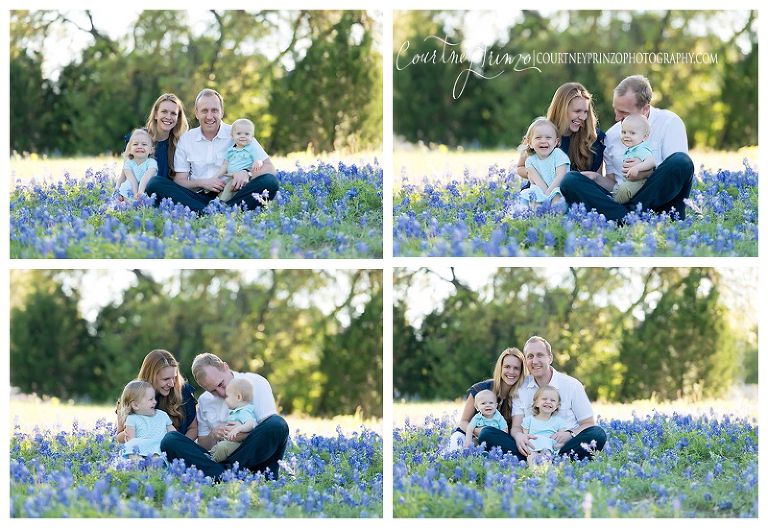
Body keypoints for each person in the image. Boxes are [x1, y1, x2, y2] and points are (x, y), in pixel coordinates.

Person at [560, 75, 694, 221]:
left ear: (645, 109)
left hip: (662, 206)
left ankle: (624, 218)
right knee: (570, 180)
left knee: (682, 162)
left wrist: (646, 171)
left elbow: (676, 176)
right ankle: (629, 218)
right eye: (616, 110)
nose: (617, 118)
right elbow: (614, 186)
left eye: (623, 113)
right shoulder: (612, 135)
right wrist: (597, 178)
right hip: (624, 197)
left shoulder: (669, 123)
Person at [144, 89, 280, 213]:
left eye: (214, 110)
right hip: (197, 198)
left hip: (233, 194)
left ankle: (209, 213)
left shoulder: (238, 132)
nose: (209, 116)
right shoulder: (186, 139)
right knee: (154, 184)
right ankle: (225, 213)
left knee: (269, 181)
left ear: (222, 112)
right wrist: (201, 182)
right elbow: (180, 180)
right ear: (196, 113)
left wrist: (247, 173)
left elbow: (269, 167)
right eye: (204, 111)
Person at [160, 353, 290, 479]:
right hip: (219, 456)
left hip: (253, 461)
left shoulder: (255, 383)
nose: (221, 393)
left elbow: (267, 434)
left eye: (221, 384)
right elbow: (205, 446)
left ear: (225, 367)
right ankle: (226, 475)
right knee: (170, 439)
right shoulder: (205, 401)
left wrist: (241, 432)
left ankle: (220, 475)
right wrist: (213, 434)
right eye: (213, 391)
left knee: (277, 424)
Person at [479, 336, 607, 460]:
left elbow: (588, 423)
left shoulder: (572, 385)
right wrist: (519, 437)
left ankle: (547, 460)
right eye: (530, 356)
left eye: (540, 355)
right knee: (486, 433)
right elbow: (517, 426)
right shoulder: (520, 388)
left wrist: (569, 434)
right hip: (531, 447)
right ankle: (540, 459)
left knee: (597, 434)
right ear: (526, 361)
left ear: (550, 358)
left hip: (563, 446)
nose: (535, 361)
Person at [518, 82, 605, 188]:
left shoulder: (593, 137)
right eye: (577, 111)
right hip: (542, 192)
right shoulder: (542, 133)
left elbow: (598, 181)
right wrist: (532, 173)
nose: (582, 117)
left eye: (585, 112)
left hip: (579, 197)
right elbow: (521, 166)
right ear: (561, 110)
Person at [446, 348, 525, 452]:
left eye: (516, 368)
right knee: (455, 452)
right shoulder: (481, 389)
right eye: (507, 367)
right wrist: (477, 431)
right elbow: (463, 422)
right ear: (500, 368)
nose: (511, 372)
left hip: (496, 442)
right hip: (469, 435)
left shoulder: (522, 395)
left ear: (521, 371)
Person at [115, 349, 198, 444]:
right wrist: (130, 432)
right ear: (151, 377)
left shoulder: (182, 391)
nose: (171, 384)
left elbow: (193, 428)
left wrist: (179, 446)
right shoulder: (133, 395)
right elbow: (120, 435)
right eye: (166, 379)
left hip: (179, 452)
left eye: (174, 378)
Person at [118, 379, 176, 460]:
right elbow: (130, 440)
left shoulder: (162, 415)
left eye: (154, 398)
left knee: (156, 459)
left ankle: (153, 471)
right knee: (132, 450)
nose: (155, 402)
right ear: (135, 405)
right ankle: (137, 468)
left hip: (157, 448)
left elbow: (174, 434)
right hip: (138, 449)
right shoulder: (132, 419)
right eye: (150, 399)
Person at [518, 118, 570, 206]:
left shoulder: (558, 154)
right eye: (538, 138)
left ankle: (555, 217)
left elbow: (561, 176)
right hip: (541, 190)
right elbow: (538, 182)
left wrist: (549, 193)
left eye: (548, 138)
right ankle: (537, 216)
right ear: (530, 143)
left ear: (556, 142)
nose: (543, 141)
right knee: (533, 195)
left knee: (557, 197)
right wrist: (544, 197)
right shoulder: (530, 161)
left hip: (558, 188)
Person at [212, 118, 264, 202]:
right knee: (225, 190)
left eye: (247, 134)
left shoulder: (251, 149)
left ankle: (222, 204)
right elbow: (225, 165)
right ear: (232, 136)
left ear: (252, 137)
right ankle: (222, 204)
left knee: (229, 192)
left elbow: (259, 160)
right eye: (239, 133)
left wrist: (257, 162)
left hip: (246, 179)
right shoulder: (230, 151)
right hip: (231, 178)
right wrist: (216, 176)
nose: (243, 136)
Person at [209, 377, 257, 462]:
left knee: (222, 447)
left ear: (238, 397)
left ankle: (211, 463)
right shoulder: (236, 411)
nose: (225, 400)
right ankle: (210, 456)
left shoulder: (243, 411)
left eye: (227, 396)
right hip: (231, 443)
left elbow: (251, 424)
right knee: (217, 447)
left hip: (239, 445)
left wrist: (238, 429)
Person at [611, 114, 655, 204]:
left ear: (644, 137)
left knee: (624, 190)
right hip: (632, 183)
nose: (626, 136)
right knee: (617, 190)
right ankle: (612, 200)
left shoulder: (640, 149)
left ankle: (613, 206)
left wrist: (637, 168)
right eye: (624, 132)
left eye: (632, 133)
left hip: (641, 183)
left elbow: (651, 161)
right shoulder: (633, 149)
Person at [520, 385, 567, 463]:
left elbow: (562, 439)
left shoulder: (559, 421)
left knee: (547, 453)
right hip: (533, 447)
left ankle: (545, 472)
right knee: (531, 453)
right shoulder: (528, 420)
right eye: (544, 399)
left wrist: (557, 446)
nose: (548, 402)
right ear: (536, 403)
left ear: (557, 406)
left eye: (552, 400)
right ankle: (534, 471)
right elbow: (525, 437)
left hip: (549, 448)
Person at [115, 129, 157, 201]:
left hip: (146, 190)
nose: (139, 147)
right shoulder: (129, 163)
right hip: (131, 190)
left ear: (151, 150)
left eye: (144, 144)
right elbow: (131, 179)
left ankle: (136, 205)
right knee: (126, 187)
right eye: (135, 144)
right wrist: (117, 190)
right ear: (130, 149)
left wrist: (140, 192)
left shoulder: (151, 162)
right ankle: (126, 205)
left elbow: (146, 177)